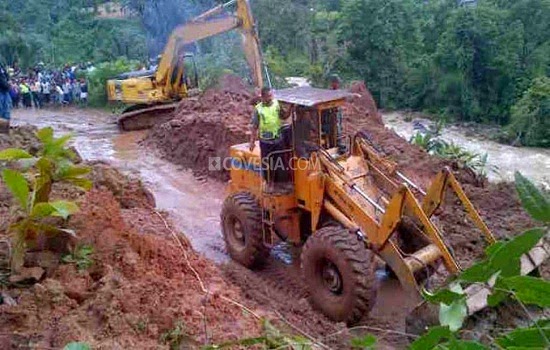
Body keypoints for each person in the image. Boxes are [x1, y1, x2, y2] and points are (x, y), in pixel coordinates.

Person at [249, 87, 293, 191]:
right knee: (267, 164)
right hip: (266, 142)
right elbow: (254, 126)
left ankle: (283, 183)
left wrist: (290, 108)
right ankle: (269, 184)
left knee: (281, 163)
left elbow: (284, 116)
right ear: (263, 97)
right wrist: (252, 142)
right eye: (268, 96)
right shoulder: (258, 109)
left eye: (271, 95)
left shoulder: (276, 104)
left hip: (278, 139)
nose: (271, 98)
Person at [0, 63, 11, 133]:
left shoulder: (1, 66)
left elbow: (6, 75)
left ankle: (5, 130)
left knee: (6, 111)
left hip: (5, 90)